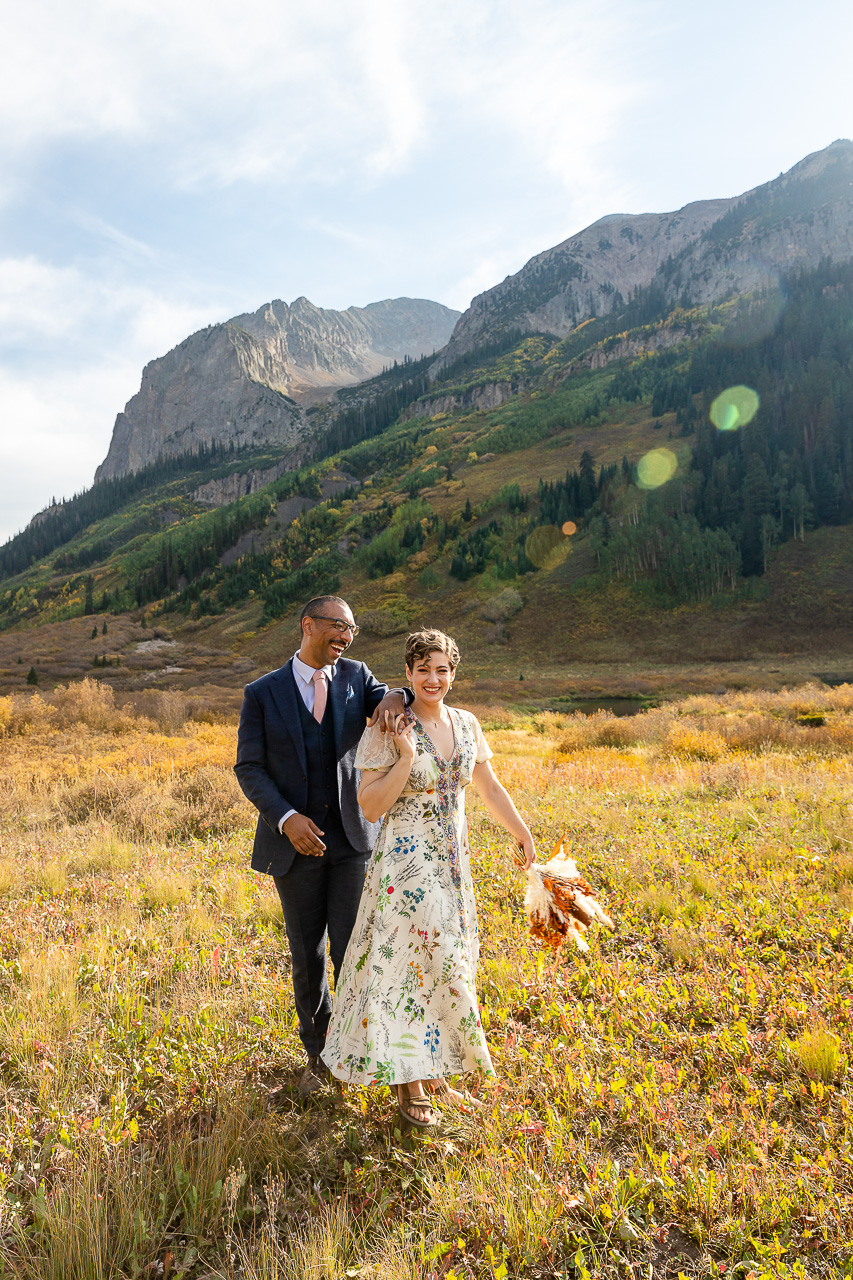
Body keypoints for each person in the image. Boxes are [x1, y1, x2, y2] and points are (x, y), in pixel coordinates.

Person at [321, 629, 535, 1128]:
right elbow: (370, 805)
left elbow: (488, 784)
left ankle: (435, 1069)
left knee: (448, 961)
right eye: (423, 670)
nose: (433, 679)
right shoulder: (389, 724)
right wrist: (408, 758)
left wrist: (521, 830)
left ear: (454, 674)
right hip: (405, 867)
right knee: (408, 967)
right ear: (409, 674)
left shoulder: (466, 724)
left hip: (452, 865)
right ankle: (409, 1081)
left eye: (442, 670)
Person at [234, 595, 408, 1097]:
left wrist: (395, 697)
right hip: (295, 847)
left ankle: (354, 1049)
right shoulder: (262, 694)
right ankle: (319, 1055)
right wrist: (286, 819)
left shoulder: (357, 675)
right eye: (338, 626)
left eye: (351, 630)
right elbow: (249, 768)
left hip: (353, 842)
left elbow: (388, 698)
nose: (346, 637)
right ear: (307, 624)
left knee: (354, 951)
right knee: (307, 953)